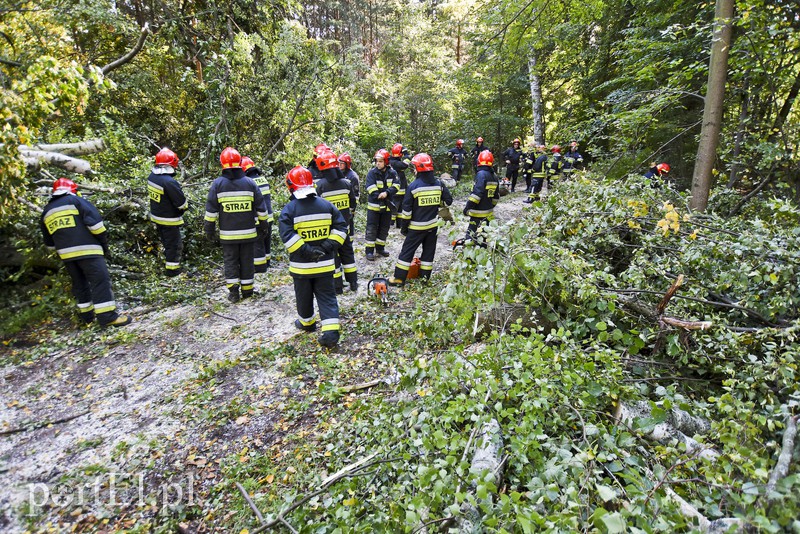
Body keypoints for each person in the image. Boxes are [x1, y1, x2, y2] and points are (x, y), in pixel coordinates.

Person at [40, 178, 131, 327]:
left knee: (80, 285)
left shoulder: (47, 211)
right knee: (100, 281)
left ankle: (87, 319)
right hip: (89, 251)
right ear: (73, 190)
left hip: (67, 256)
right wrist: (103, 244)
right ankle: (108, 317)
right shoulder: (76, 201)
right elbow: (97, 226)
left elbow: (50, 244)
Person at [279, 166, 348, 348]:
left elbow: (288, 237)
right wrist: (327, 246)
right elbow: (341, 229)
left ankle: (307, 323)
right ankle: (331, 332)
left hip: (301, 267)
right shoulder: (327, 206)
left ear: (291, 186)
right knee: (327, 297)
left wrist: (307, 251)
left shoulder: (289, 210)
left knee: (303, 297)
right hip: (325, 264)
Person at [204, 147, 269, 303]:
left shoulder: (217, 184)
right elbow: (261, 208)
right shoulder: (250, 183)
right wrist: (264, 225)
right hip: (248, 234)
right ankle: (247, 291)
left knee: (230, 261)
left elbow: (211, 210)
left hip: (228, 235)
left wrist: (209, 230)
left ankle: (234, 292)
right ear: (240, 163)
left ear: (222, 164)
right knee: (247, 261)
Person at [389, 153, 453, 286]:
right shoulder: (439, 184)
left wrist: (404, 228)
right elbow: (448, 201)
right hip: (433, 226)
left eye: (414, 167)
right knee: (429, 252)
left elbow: (406, 212)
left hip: (416, 227)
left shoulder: (413, 186)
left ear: (418, 168)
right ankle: (424, 278)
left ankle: (399, 279)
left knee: (406, 253)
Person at [314, 150, 358, 294]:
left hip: (329, 230)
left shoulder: (320, 186)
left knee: (333, 257)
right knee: (348, 253)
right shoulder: (346, 183)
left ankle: (338, 287)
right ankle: (353, 283)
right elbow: (353, 203)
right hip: (344, 227)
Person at [147, 147, 188, 277]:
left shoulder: (152, 177)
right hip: (169, 220)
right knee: (175, 246)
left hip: (157, 217)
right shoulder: (169, 182)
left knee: (167, 243)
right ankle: (172, 271)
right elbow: (182, 204)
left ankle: (168, 265)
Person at [364, 148, 399, 260]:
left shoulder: (393, 173)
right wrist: (380, 195)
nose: (377, 163)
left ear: (386, 162)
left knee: (384, 228)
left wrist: (387, 193)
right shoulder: (372, 173)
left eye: (380, 161)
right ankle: (369, 251)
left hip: (387, 208)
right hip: (374, 207)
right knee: (371, 228)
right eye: (376, 161)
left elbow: (397, 186)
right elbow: (370, 188)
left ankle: (380, 248)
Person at [241, 156, 274, 272]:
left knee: (258, 244)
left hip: (258, 219)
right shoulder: (263, 179)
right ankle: (268, 263)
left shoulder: (249, 183)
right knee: (266, 242)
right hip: (269, 217)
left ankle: (260, 269)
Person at [462, 150, 500, 244]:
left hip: (477, 214)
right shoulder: (494, 176)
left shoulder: (481, 174)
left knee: (470, 236)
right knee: (483, 238)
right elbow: (496, 196)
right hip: (488, 213)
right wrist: (490, 206)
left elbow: (476, 195)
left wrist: (468, 207)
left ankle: (469, 255)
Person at [389, 143, 411, 228]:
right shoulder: (395, 163)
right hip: (397, 191)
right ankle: (390, 224)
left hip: (397, 190)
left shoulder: (391, 161)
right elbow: (406, 164)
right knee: (394, 208)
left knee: (399, 209)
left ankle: (399, 224)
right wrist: (406, 153)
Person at [338, 152, 360, 236]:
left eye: (342, 164)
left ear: (347, 164)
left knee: (349, 224)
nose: (339, 165)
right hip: (340, 205)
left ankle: (350, 241)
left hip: (349, 206)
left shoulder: (353, 176)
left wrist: (352, 209)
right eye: (339, 163)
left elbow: (356, 195)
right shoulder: (338, 174)